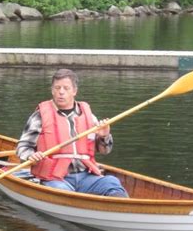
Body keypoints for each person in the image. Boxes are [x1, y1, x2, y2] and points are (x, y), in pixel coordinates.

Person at [16, 69, 128, 197]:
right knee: (64, 193)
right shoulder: (39, 116)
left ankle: (122, 209)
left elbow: (105, 151)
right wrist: (31, 156)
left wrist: (104, 137)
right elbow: (22, 148)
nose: (61, 92)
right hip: (55, 178)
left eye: (66, 88)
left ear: (74, 91)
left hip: (87, 176)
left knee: (112, 182)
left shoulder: (89, 116)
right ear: (52, 91)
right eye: (57, 88)